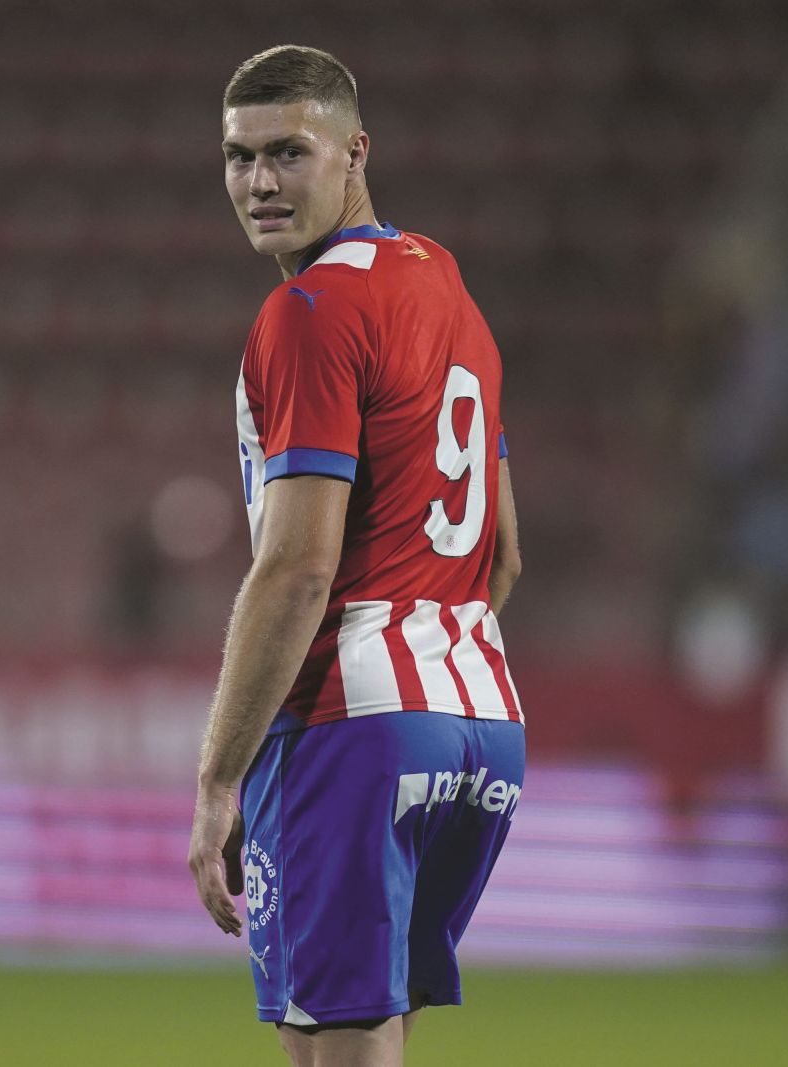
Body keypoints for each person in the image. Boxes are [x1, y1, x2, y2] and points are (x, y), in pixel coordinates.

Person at [187, 44, 525, 1066]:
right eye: (239, 158)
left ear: (354, 153)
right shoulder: (446, 290)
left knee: (337, 1045)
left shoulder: (308, 313)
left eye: (288, 153)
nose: (259, 183)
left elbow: (296, 568)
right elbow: (503, 550)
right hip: (481, 722)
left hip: (356, 720)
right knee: (381, 1034)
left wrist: (218, 778)